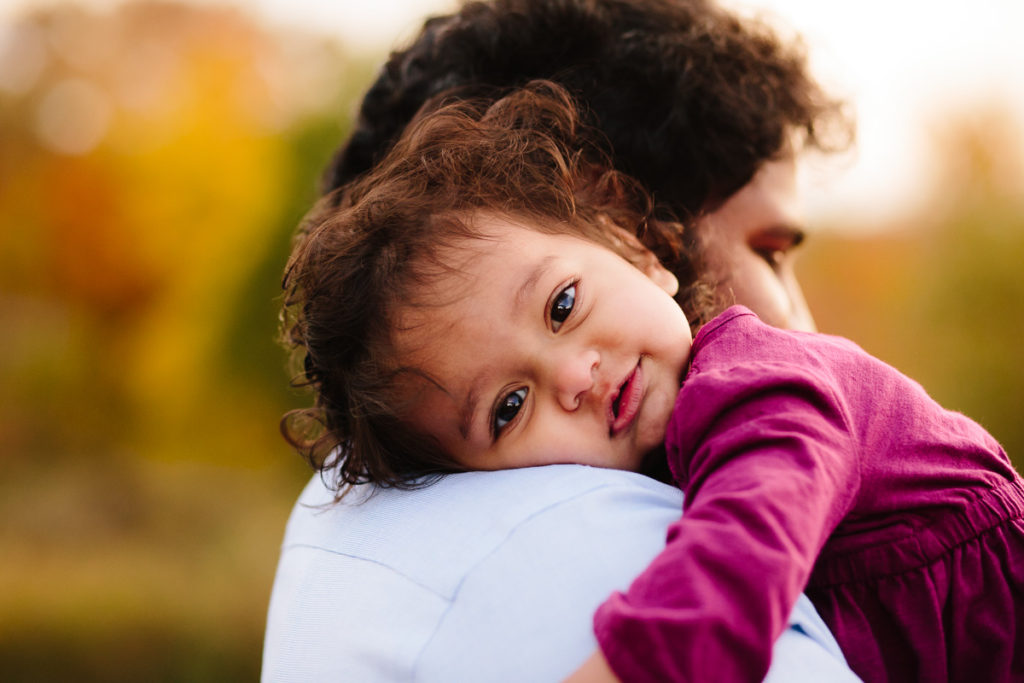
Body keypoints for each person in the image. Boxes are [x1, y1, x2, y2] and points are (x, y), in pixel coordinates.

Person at [278, 83, 1024, 682]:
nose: (573, 375)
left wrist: (622, 667)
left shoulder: (764, 383)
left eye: (562, 305)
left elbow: (742, 556)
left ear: (638, 252)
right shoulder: (635, 471)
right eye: (510, 406)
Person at [263, 0, 859, 679]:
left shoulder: (361, 528)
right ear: (621, 217)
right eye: (770, 251)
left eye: (564, 304)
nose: (804, 324)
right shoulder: (595, 530)